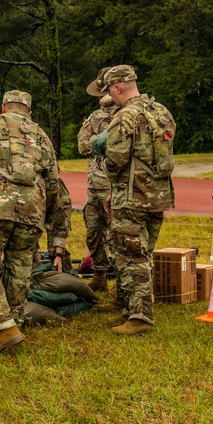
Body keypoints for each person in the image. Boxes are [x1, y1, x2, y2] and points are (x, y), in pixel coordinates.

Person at [0, 90, 61, 353]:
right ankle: (15, 323)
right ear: (29, 111)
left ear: (4, 108)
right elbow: (53, 180)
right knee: (20, 267)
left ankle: (3, 327)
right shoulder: (41, 134)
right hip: (32, 211)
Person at [102, 65, 176, 335]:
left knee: (132, 257)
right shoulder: (161, 111)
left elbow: (116, 160)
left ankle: (141, 317)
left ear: (118, 87)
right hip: (157, 197)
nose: (111, 96)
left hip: (132, 198)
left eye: (111, 90)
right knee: (144, 254)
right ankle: (131, 309)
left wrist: (112, 183)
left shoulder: (125, 116)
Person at [77, 67, 117, 298]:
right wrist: (101, 140)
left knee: (117, 234)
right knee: (93, 231)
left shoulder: (128, 115)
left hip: (116, 184)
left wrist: (101, 141)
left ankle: (122, 283)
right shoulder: (94, 118)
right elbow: (83, 146)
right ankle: (100, 276)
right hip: (95, 185)